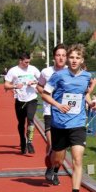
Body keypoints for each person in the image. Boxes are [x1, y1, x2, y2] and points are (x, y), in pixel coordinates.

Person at [39, 44, 96, 192]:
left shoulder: (87, 76)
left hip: (78, 123)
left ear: (82, 60)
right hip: (60, 123)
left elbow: (83, 94)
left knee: (77, 160)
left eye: (77, 58)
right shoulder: (58, 76)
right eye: (71, 57)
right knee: (58, 158)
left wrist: (90, 103)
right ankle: (52, 164)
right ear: (68, 59)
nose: (73, 60)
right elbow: (45, 93)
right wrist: (58, 105)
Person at [37, 44, 67, 173]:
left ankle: (55, 170)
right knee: (52, 142)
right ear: (54, 57)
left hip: (66, 113)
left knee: (62, 147)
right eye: (58, 55)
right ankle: (50, 166)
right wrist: (47, 94)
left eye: (63, 55)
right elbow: (39, 86)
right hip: (49, 111)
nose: (61, 58)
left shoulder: (71, 72)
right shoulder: (46, 72)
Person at [4, 52, 41, 155]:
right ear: (20, 61)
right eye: (25, 62)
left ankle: (29, 142)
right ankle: (22, 141)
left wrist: (34, 82)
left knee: (30, 119)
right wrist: (15, 86)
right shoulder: (13, 71)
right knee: (21, 123)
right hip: (20, 101)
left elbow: (42, 81)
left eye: (29, 62)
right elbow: (6, 86)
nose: (27, 64)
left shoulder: (33, 69)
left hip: (32, 99)